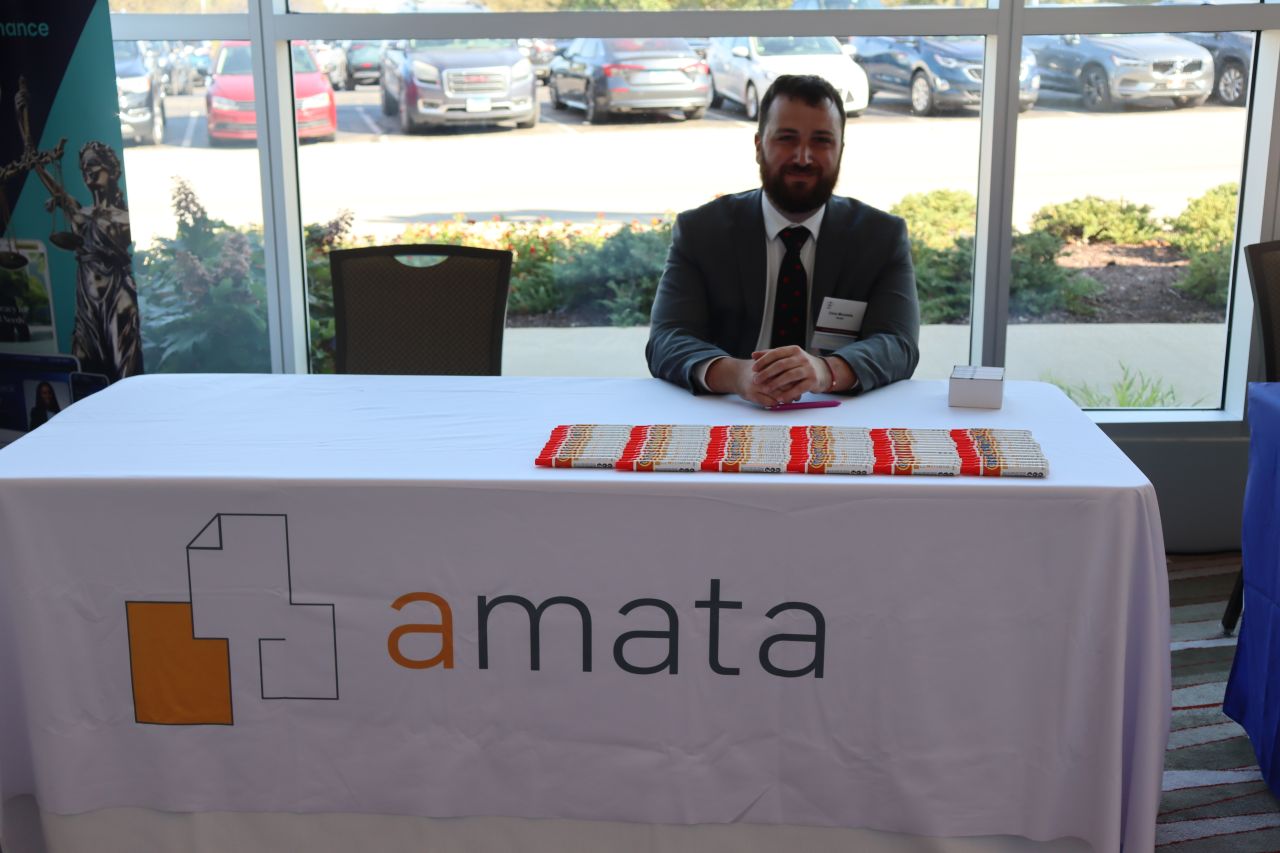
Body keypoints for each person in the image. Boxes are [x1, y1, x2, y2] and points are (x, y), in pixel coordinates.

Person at [646, 74, 919, 408]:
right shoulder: (702, 232)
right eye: (787, 139)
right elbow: (666, 339)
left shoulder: (880, 237)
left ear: (841, 150)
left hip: (837, 415)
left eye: (822, 141)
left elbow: (898, 344)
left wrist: (825, 371)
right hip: (731, 411)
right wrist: (736, 375)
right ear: (759, 146)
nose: (803, 157)